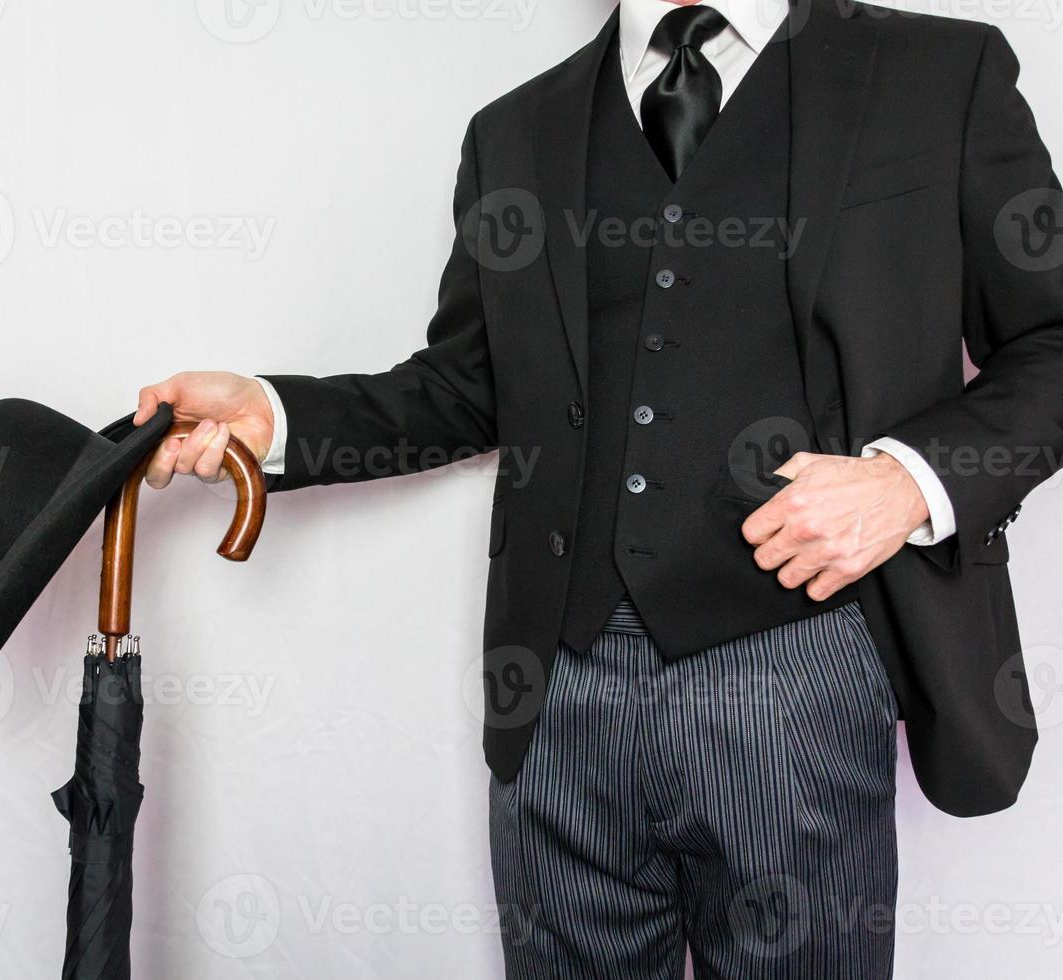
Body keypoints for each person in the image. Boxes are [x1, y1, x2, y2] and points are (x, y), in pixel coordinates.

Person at [134, 0, 1063, 975]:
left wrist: (904, 482)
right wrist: (274, 417)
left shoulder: (936, 71)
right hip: (555, 691)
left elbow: (1048, 340)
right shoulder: (514, 132)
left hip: (801, 671)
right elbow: (468, 384)